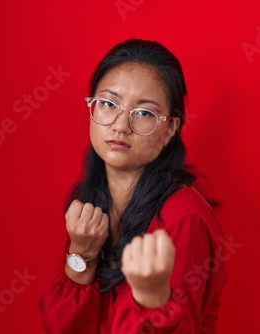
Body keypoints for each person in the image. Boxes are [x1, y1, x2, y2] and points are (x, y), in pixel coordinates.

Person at [38, 38, 227, 333]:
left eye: (143, 113)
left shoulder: (182, 219)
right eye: (109, 103)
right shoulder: (90, 201)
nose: (120, 125)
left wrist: (152, 297)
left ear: (169, 129)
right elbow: (63, 326)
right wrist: (82, 254)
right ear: (92, 107)